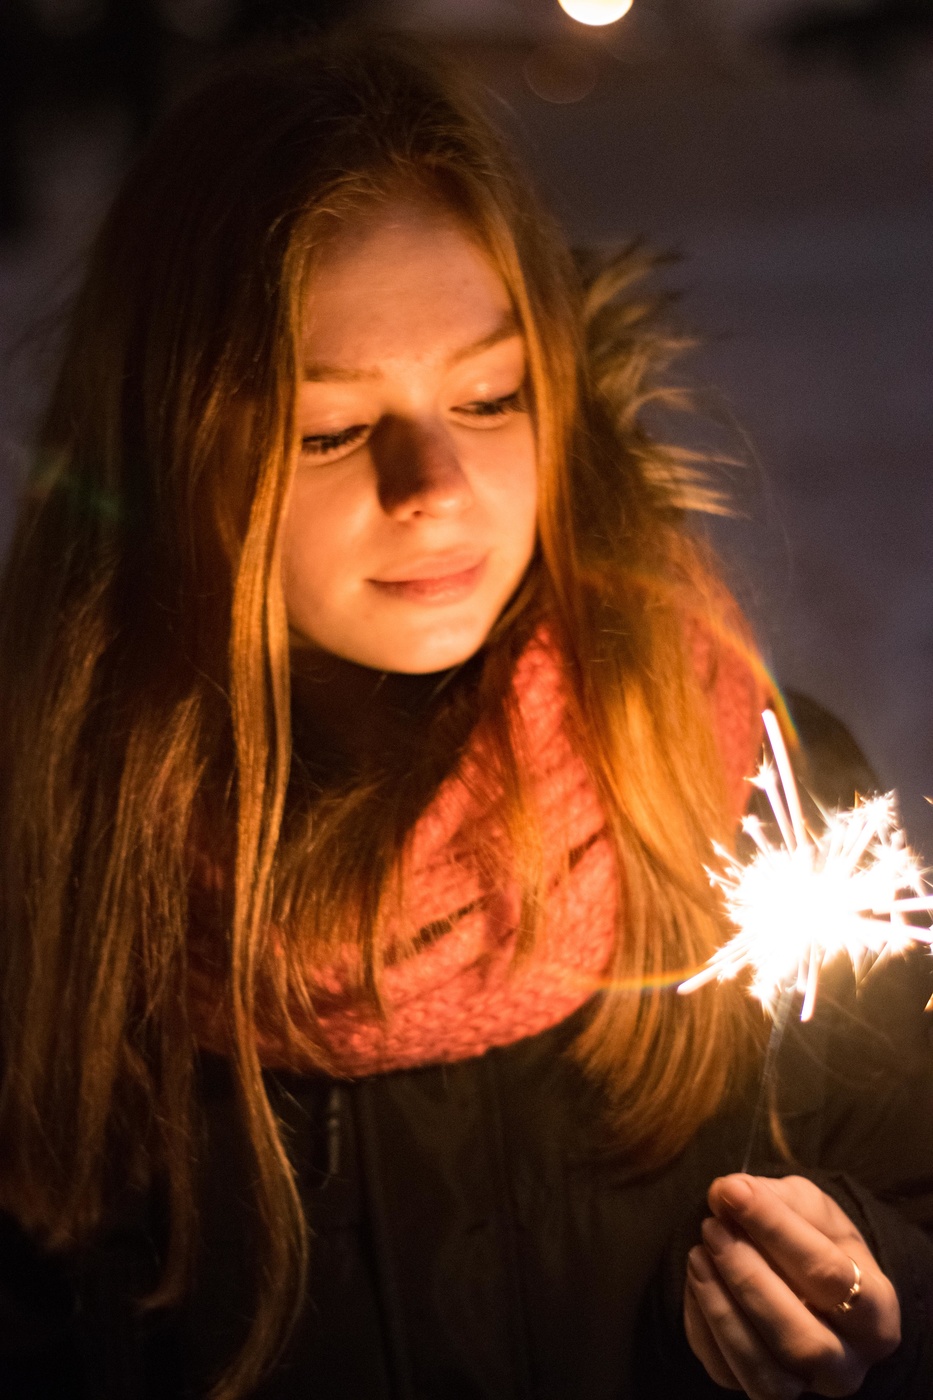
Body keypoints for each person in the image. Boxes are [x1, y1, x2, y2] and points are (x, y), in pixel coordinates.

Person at [0, 33, 931, 1400]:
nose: (432, 483)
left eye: (488, 397)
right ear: (174, 449)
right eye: (326, 428)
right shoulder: (51, 869)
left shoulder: (737, 781)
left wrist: (875, 1304)